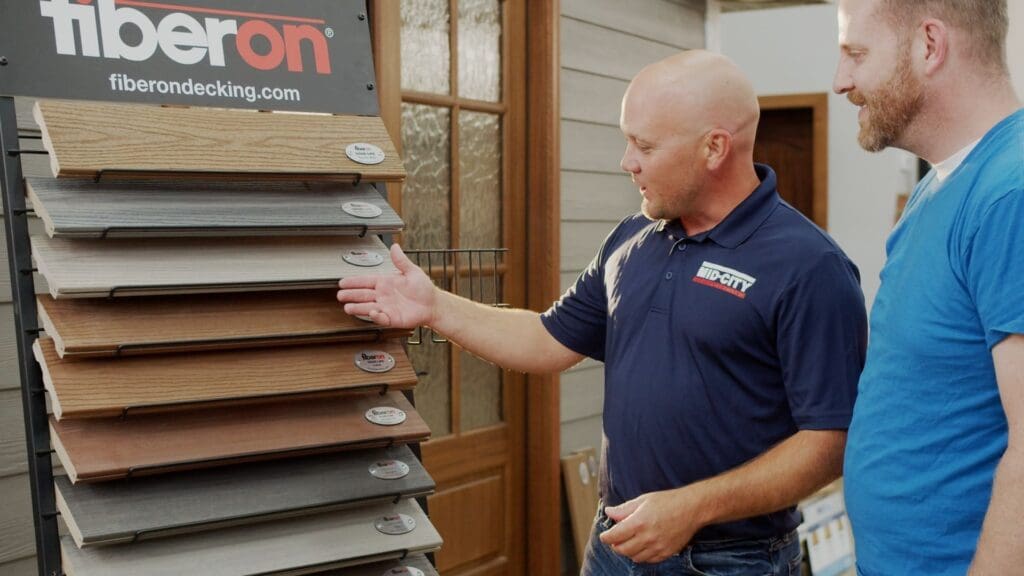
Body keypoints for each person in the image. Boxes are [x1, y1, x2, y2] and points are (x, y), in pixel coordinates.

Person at [340, 50, 867, 576]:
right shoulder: (632, 238)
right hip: (615, 543)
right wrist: (432, 305)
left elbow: (828, 442)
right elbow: (547, 339)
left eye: (644, 145)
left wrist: (692, 508)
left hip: (731, 561)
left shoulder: (810, 267)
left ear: (714, 147)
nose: (626, 161)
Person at [832, 1, 1024, 574]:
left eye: (856, 54)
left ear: (929, 45)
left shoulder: (1009, 194)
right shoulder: (938, 188)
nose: (841, 81)